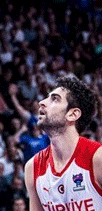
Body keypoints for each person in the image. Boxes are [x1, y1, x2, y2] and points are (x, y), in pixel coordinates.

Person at [25, 76, 101, 210]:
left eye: (55, 99)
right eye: (47, 97)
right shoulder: (32, 168)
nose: (41, 102)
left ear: (72, 114)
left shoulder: (97, 158)